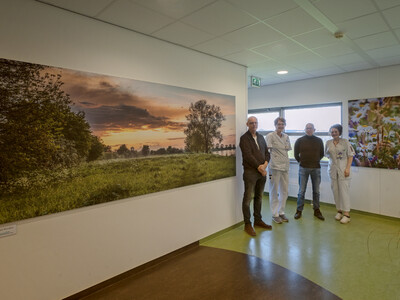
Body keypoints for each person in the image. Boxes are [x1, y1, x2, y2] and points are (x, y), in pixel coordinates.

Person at [239, 116, 272, 236]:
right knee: (248, 198)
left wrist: (265, 165)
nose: (254, 125)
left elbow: (267, 153)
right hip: (250, 173)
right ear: (247, 124)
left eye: (255, 123)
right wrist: (260, 168)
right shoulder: (244, 139)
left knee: (259, 197)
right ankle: (247, 224)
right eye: (251, 123)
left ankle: (258, 220)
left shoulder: (261, 137)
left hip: (261, 172)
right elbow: (248, 156)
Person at [293, 123, 325, 220]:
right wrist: (302, 162)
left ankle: (316, 210)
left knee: (316, 191)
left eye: (311, 128)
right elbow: (295, 154)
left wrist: (314, 161)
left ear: (314, 129)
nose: (309, 130)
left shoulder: (319, 141)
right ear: (305, 129)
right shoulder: (299, 140)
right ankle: (299, 210)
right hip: (303, 168)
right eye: (307, 128)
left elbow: (322, 154)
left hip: (316, 168)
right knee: (301, 191)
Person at [325, 124, 355, 224]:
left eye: (335, 131)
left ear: (339, 132)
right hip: (332, 170)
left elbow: (350, 155)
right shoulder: (328, 142)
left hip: (343, 170)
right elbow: (327, 155)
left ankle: (347, 214)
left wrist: (347, 168)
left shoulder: (345, 142)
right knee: (335, 191)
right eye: (332, 132)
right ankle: (339, 211)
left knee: (344, 191)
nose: (333, 133)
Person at [266, 117, 291, 224]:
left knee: (284, 190)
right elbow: (268, 150)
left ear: (285, 125)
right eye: (278, 124)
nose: (280, 126)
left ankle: (281, 211)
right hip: (274, 166)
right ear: (275, 125)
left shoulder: (286, 136)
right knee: (274, 190)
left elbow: (287, 148)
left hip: (285, 166)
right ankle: (275, 214)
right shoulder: (270, 136)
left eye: (282, 124)